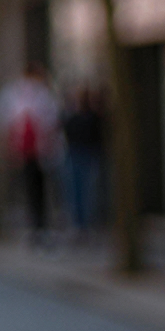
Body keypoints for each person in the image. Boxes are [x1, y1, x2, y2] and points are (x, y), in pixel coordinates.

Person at [0, 63, 60, 243]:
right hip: (29, 151)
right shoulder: (37, 94)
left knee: (32, 188)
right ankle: (32, 225)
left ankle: (33, 225)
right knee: (32, 188)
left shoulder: (16, 93)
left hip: (31, 151)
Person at [61, 82, 106, 239]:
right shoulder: (75, 116)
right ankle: (80, 224)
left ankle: (84, 224)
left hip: (85, 156)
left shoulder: (93, 117)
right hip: (78, 155)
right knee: (78, 192)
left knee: (85, 192)